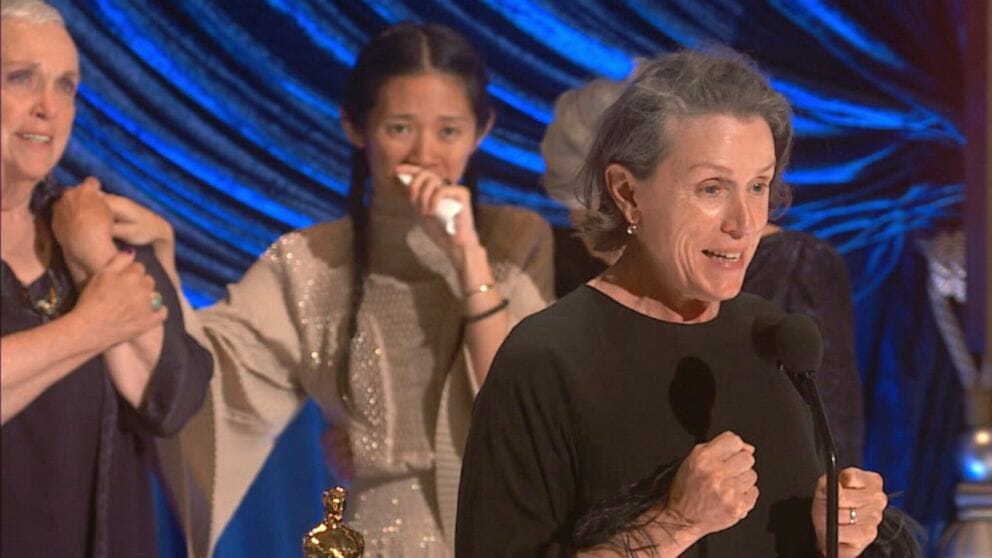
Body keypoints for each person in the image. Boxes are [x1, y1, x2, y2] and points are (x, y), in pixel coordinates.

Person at [456, 50, 891, 557]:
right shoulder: (546, 359)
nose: (744, 222)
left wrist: (832, 534)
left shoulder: (776, 340)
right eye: (711, 188)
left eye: (758, 186)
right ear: (627, 192)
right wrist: (674, 522)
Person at [152, 22, 554, 557]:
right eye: (400, 128)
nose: (424, 153)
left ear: (482, 131)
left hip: (501, 535)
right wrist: (157, 262)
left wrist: (467, 256)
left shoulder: (515, 239)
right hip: (375, 536)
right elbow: (209, 373)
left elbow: (522, 406)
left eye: (449, 131)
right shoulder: (310, 261)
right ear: (356, 127)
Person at [540, 73, 864, 468]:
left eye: (757, 187)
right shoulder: (583, 287)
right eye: (586, 224)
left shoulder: (796, 271)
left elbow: (832, 450)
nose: (607, 243)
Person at [0, 1, 213, 556]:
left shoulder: (87, 226)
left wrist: (94, 256)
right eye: (22, 79)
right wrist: (90, 328)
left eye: (66, 86)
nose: (49, 107)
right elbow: (104, 326)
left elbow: (172, 398)